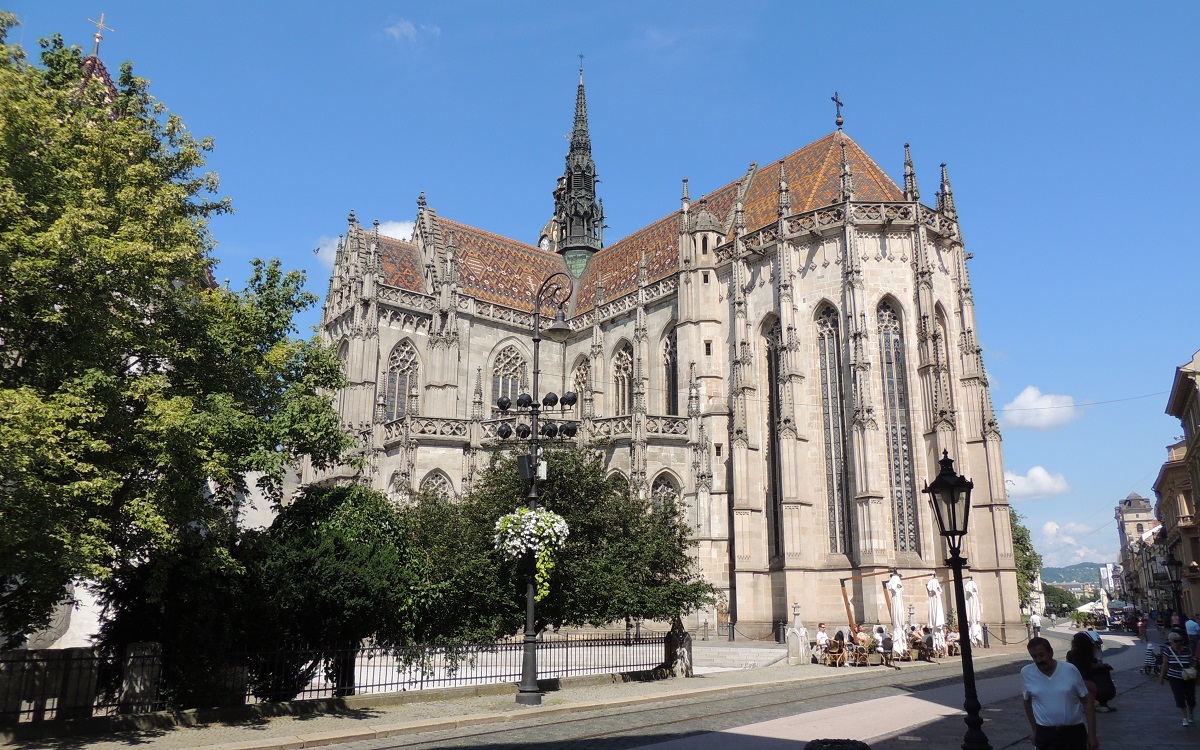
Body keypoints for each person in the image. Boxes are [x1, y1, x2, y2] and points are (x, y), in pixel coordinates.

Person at [1022, 637, 1097, 750]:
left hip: (1073, 733)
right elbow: (1027, 702)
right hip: (1046, 734)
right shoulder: (1026, 673)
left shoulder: (1070, 670)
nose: (1038, 660)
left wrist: (1092, 735)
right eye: (1034, 656)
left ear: (1051, 652)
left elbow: (1087, 702)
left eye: (1042, 655)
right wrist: (1034, 729)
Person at [1159, 631, 1196, 726]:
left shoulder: (1187, 650)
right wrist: (1161, 677)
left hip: (1188, 677)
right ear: (1171, 641)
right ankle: (1184, 717)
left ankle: (1190, 713)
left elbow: (1192, 662)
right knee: (1179, 697)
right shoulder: (1168, 651)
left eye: (1180, 640)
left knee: (1190, 697)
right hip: (1174, 677)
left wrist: (1194, 672)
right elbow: (1165, 664)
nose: (1179, 642)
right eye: (1176, 641)